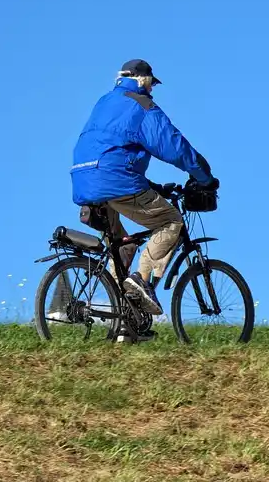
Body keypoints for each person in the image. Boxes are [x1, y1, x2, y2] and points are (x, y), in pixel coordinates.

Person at [68, 59, 217, 332]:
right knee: (171, 222)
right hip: (114, 180)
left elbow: (111, 150)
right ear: (141, 79)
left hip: (84, 179)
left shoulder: (104, 102)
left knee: (122, 245)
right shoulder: (140, 104)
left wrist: (152, 187)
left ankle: (124, 323)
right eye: (151, 83)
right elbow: (174, 146)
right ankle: (142, 280)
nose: (152, 89)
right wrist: (203, 175)